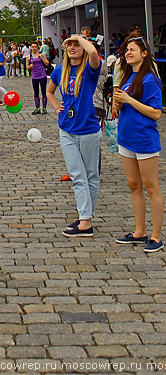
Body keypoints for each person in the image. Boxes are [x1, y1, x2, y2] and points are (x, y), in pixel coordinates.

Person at [47, 35, 102, 237]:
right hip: (67, 129)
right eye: (69, 44)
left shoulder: (89, 69)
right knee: (77, 175)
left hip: (88, 130)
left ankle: (86, 218)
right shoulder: (60, 71)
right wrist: (56, 107)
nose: (72, 47)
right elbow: (50, 92)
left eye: (76, 44)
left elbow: (94, 53)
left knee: (90, 175)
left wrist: (79, 37)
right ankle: (85, 219)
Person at [113, 36, 163, 253]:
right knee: (134, 186)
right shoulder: (127, 77)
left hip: (144, 139)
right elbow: (126, 104)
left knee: (151, 186)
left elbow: (156, 113)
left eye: (132, 50)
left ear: (144, 53)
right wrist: (117, 105)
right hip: (126, 137)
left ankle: (156, 236)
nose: (128, 53)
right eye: (126, 51)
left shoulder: (150, 79)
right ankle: (139, 231)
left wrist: (129, 101)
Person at [27, 42, 49, 115]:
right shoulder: (29, 56)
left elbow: (47, 63)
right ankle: (37, 108)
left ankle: (44, 108)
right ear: (30, 48)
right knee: (36, 92)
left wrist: (42, 58)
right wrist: (29, 66)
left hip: (42, 75)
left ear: (37, 47)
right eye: (32, 47)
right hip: (34, 76)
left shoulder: (40, 55)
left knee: (43, 91)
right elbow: (27, 67)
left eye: (35, 47)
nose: (34, 48)